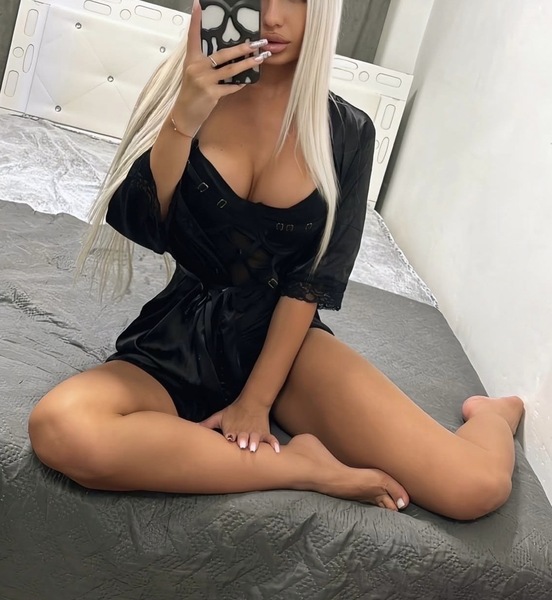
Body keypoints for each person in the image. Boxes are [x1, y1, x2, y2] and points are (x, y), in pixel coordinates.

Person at [28, 0, 523, 520]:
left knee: (475, 488)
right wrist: (184, 119)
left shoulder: (348, 133)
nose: (273, 16)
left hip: (289, 347)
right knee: (62, 428)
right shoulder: (190, 95)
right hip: (183, 336)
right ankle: (303, 467)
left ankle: (492, 414)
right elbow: (143, 225)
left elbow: (312, 279)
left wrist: (256, 401)